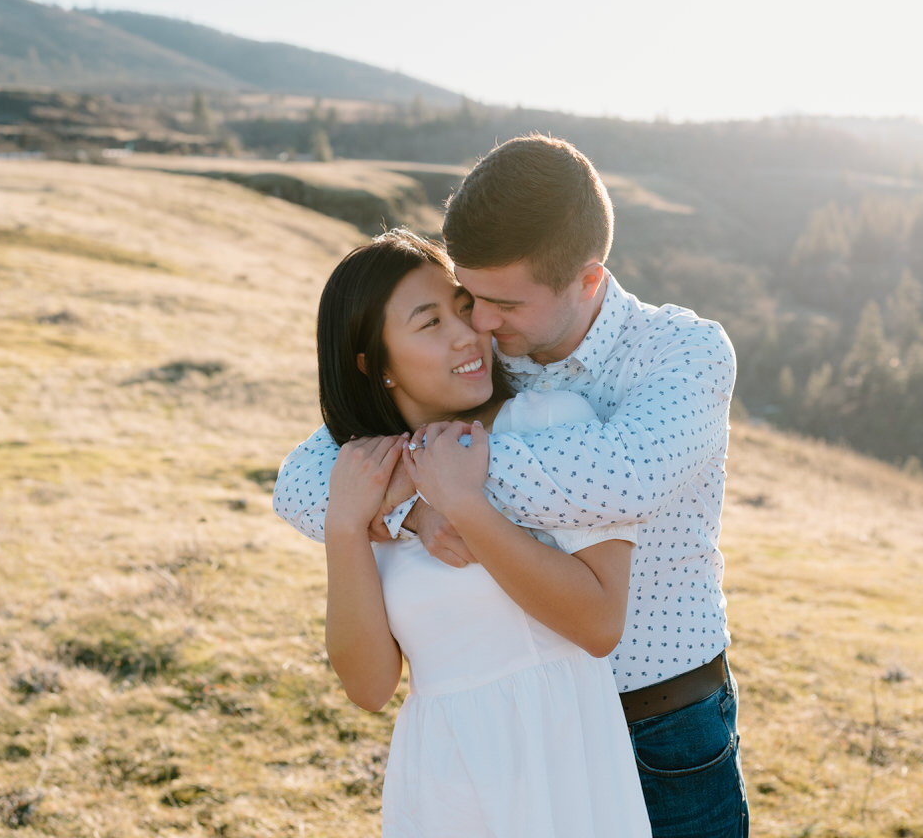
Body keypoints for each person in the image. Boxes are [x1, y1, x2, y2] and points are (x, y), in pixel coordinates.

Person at [276, 135, 749, 838]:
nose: (482, 324)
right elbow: (307, 479)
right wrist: (407, 508)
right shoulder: (484, 352)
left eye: (502, 303)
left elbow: (624, 477)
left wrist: (442, 479)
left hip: (661, 728)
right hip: (525, 740)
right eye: (468, 297)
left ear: (587, 282)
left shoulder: (680, 354)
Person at [313, 228, 651, 838]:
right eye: (430, 323)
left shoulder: (551, 424)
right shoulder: (368, 481)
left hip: (560, 766)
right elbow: (368, 687)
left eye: (464, 309)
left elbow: (600, 624)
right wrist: (345, 525)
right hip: (443, 783)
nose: (468, 334)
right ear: (374, 364)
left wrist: (466, 505)